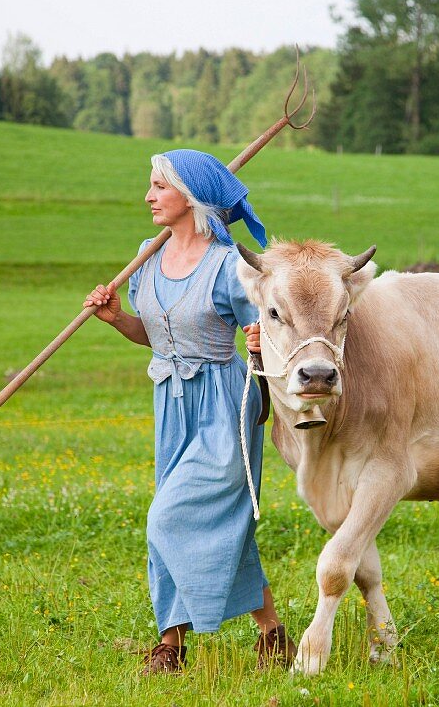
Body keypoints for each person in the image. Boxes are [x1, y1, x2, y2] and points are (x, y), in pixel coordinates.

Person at [84, 149, 294, 675]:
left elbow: (271, 333)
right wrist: (116, 320)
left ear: (191, 197)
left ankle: (186, 638)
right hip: (170, 403)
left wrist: (260, 340)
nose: (149, 196)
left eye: (159, 186)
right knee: (216, 525)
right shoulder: (146, 258)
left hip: (226, 403)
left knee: (169, 517)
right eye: (150, 185)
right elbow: (152, 337)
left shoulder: (230, 267)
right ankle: (191, 643)